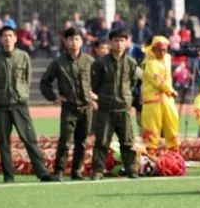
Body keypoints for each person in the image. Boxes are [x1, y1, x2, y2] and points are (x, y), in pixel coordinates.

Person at [0, 26, 53, 183]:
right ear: (0, 39)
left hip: (19, 105)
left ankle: (42, 173)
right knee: (3, 142)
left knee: (30, 139)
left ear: (15, 38)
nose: (7, 38)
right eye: (4, 36)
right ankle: (8, 176)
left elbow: (26, 80)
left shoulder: (23, 57)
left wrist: (20, 94)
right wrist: (0, 96)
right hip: (2, 106)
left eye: (10, 35)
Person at [40, 27, 96, 180]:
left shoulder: (89, 61)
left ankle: (77, 171)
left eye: (77, 39)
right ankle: (58, 171)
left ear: (82, 41)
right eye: (70, 39)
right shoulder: (58, 62)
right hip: (69, 108)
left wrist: (96, 95)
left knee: (82, 142)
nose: (74, 42)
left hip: (86, 107)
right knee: (65, 141)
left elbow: (100, 80)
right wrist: (54, 97)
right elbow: (45, 82)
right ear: (65, 41)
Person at [90, 29, 140, 179]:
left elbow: (132, 83)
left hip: (123, 108)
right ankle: (98, 170)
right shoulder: (100, 63)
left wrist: (127, 99)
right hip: (105, 108)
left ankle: (131, 170)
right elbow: (95, 85)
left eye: (122, 40)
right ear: (111, 43)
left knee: (127, 142)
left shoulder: (131, 63)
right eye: (116, 41)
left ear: (126, 42)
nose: (119, 44)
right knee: (102, 141)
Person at [142, 35, 180, 154]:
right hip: (153, 100)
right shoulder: (149, 62)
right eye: (160, 49)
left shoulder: (167, 58)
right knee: (152, 128)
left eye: (164, 49)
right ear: (153, 48)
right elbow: (158, 80)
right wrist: (171, 91)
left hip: (167, 99)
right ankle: (151, 154)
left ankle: (174, 152)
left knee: (172, 124)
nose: (162, 52)